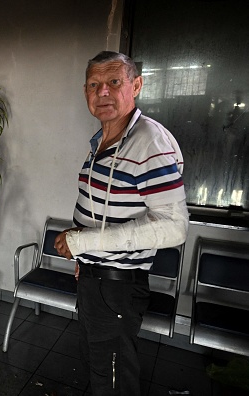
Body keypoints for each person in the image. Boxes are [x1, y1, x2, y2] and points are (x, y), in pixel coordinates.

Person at [53, 51, 189, 395]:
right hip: (96, 278)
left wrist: (83, 243)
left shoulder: (149, 142)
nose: (103, 93)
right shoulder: (103, 140)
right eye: (94, 85)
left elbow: (174, 227)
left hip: (118, 287)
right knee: (99, 366)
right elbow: (101, 206)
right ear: (85, 91)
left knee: (114, 379)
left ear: (136, 85)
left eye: (115, 82)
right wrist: (86, 260)